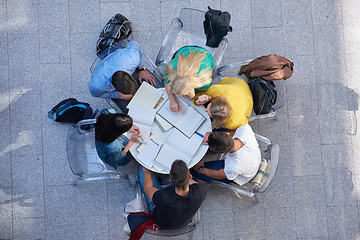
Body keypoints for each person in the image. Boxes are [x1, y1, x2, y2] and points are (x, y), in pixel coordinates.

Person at [89, 40, 162, 113]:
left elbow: (133, 43)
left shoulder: (132, 58)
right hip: (103, 74)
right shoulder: (97, 86)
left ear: (128, 73)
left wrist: (141, 69)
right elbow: (96, 94)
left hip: (122, 60)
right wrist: (120, 95)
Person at [137, 160, 207, 230]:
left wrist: (147, 173)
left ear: (171, 181)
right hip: (184, 222)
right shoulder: (201, 191)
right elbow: (195, 184)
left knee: (142, 168)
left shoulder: (163, 196)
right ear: (190, 177)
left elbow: (147, 188)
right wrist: (184, 178)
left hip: (161, 223)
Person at [191, 124, 261, 186]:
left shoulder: (233, 167)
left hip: (248, 173)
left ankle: (197, 171)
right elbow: (234, 132)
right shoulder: (245, 129)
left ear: (222, 153)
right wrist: (212, 136)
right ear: (227, 134)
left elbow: (218, 174)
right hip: (254, 156)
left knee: (193, 170)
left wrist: (200, 170)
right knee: (217, 130)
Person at [163, 46, 214, 112]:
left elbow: (192, 96)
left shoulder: (205, 82)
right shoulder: (172, 66)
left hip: (204, 55)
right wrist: (172, 100)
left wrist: (198, 99)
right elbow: (166, 81)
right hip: (186, 53)